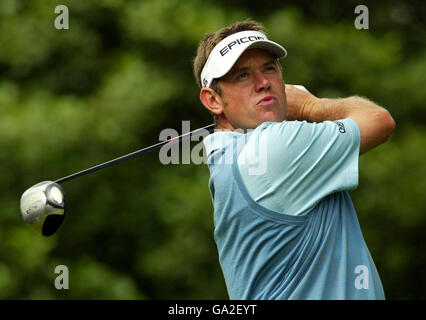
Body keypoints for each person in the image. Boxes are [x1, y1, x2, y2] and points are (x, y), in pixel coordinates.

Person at [193, 20, 395, 300]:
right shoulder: (272, 148)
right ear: (213, 100)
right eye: (242, 76)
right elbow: (379, 121)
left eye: (269, 68)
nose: (263, 83)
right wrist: (312, 106)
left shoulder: (226, 159)